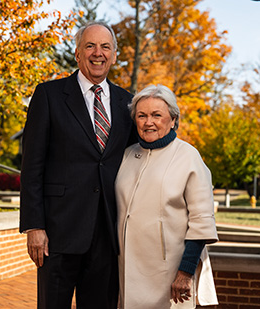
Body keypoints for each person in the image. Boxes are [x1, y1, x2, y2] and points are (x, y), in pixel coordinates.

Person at [19, 21, 136, 309]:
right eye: (90, 46)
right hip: (58, 233)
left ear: (115, 55)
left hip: (108, 233)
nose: (98, 53)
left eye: (106, 47)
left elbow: (138, 161)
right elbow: (32, 166)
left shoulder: (128, 103)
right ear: (77, 53)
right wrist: (34, 225)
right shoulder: (49, 95)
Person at [115, 84, 219, 308]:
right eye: (141, 115)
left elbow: (201, 221)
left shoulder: (189, 157)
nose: (148, 122)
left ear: (172, 119)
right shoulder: (127, 155)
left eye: (156, 115)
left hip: (169, 273)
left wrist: (185, 272)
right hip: (127, 269)